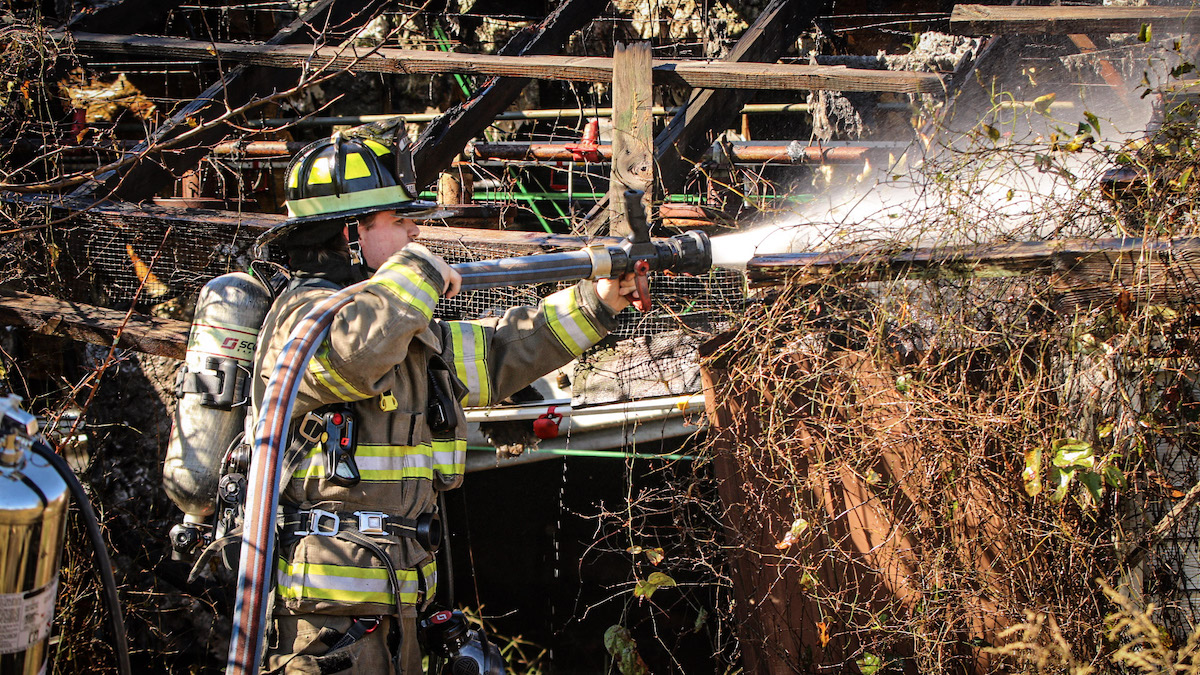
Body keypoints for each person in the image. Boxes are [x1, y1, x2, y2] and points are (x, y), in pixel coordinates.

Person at [251, 131, 636, 674]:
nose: (415, 231)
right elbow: (352, 356)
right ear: (350, 232)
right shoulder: (302, 318)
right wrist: (417, 273)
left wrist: (596, 303)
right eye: (399, 221)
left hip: (401, 609)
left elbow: (499, 353)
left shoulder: (405, 332)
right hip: (324, 627)